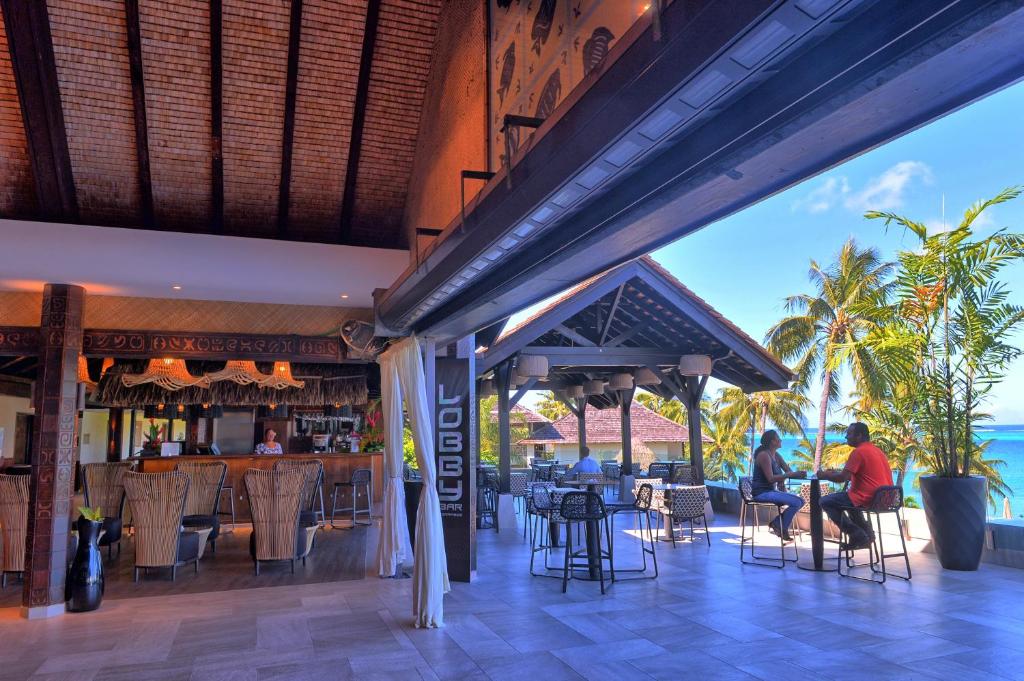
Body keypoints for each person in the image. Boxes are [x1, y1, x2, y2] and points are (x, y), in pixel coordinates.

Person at [817, 422, 893, 550]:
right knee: (851, 503)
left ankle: (856, 534)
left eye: (849, 434)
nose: (846, 437)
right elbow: (860, 474)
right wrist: (835, 473)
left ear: (860, 435)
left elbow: (842, 478)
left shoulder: (859, 452)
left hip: (867, 498)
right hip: (884, 498)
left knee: (825, 501)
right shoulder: (876, 450)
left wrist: (824, 475)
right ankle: (867, 534)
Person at [750, 430, 806, 540]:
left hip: (771, 491)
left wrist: (800, 474)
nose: (780, 440)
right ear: (772, 442)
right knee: (796, 502)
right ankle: (780, 526)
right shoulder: (763, 455)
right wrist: (791, 474)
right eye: (778, 438)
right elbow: (770, 479)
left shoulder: (776, 455)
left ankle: (777, 523)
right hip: (761, 493)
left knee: (801, 501)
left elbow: (788, 471)